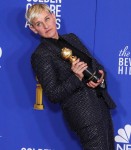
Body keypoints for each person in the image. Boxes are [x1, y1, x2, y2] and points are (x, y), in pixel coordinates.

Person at [25, 3, 116, 150]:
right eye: (39, 24)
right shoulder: (40, 55)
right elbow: (53, 94)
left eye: (47, 19)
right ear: (33, 29)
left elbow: (95, 65)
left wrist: (100, 78)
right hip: (84, 115)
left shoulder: (72, 38)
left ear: (54, 17)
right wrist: (76, 77)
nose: (46, 25)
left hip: (101, 105)